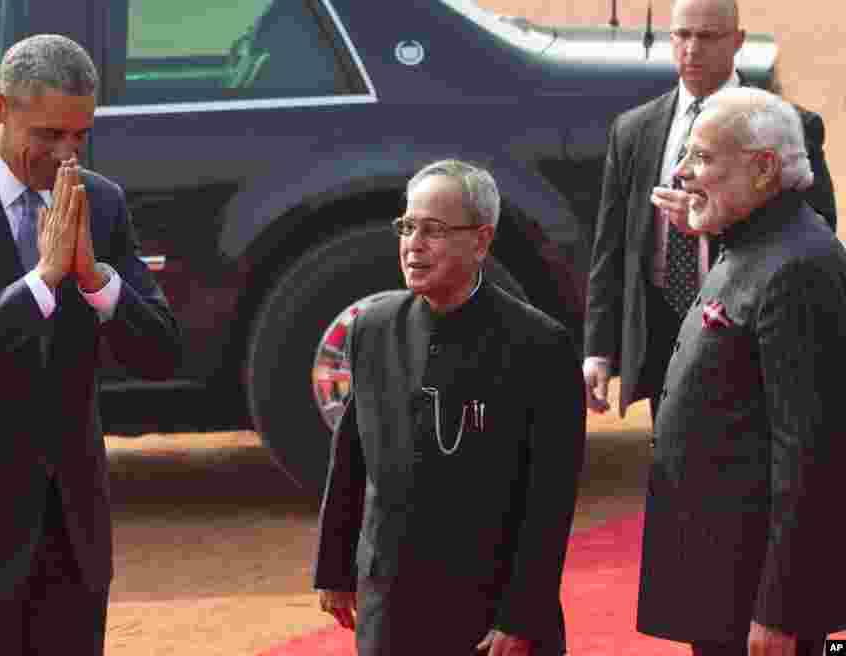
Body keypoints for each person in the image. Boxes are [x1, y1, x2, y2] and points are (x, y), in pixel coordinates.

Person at [0, 34, 182, 655]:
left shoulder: (100, 202)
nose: (66, 154)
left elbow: (161, 354)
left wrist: (96, 281)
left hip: (71, 529)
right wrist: (42, 282)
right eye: (48, 135)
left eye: (80, 136)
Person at [313, 160, 586, 656]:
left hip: (489, 614)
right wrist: (335, 568)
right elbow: (351, 458)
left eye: (433, 230)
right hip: (390, 606)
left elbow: (550, 500)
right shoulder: (372, 328)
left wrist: (523, 614)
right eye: (407, 226)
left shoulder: (539, 345)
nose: (414, 244)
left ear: (481, 241)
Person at [638, 86, 846, 655]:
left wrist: (783, 609)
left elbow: (811, 454)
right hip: (723, 584)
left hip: (758, 599)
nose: (680, 173)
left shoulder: (800, 264)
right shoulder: (750, 244)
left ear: (762, 168)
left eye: (701, 157)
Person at [582, 0, 836, 421]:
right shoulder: (633, 131)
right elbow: (610, 249)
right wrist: (597, 350)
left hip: (747, 324)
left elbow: (817, 233)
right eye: (682, 35)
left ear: (737, 42)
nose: (692, 49)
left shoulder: (787, 126)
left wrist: (711, 224)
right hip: (662, 328)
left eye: (707, 36)